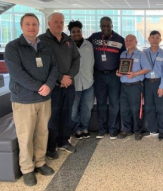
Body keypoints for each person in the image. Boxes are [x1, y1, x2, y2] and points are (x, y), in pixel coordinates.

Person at [4, 13, 57, 186]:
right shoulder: (13, 47)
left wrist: (48, 85)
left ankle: (40, 162)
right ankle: (27, 169)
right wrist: (39, 87)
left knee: (42, 132)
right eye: (28, 24)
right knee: (25, 136)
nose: (32, 27)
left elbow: (54, 67)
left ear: (39, 26)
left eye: (34, 24)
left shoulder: (45, 46)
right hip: (23, 99)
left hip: (44, 98)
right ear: (21, 26)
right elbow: (17, 74)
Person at [39, 12, 80, 159]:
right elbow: (43, 65)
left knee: (66, 114)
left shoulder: (68, 40)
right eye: (56, 22)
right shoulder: (42, 40)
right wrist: (60, 78)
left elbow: (76, 60)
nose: (59, 24)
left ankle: (63, 141)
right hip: (52, 86)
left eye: (61, 22)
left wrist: (68, 77)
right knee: (53, 117)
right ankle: (51, 147)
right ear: (49, 23)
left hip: (69, 84)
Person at [87, 16, 126, 140]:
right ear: (100, 26)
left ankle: (113, 129)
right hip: (99, 75)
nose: (106, 28)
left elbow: (125, 57)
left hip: (114, 75)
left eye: (108, 25)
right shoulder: (94, 38)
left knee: (115, 103)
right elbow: (81, 45)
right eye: (103, 26)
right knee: (101, 103)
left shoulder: (120, 39)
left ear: (112, 25)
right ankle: (102, 129)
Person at [116, 34, 151, 141]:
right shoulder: (123, 54)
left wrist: (135, 74)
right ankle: (126, 130)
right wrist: (118, 72)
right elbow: (121, 68)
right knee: (124, 109)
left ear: (136, 42)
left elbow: (147, 68)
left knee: (136, 109)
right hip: (124, 86)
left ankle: (137, 131)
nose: (128, 42)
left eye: (131, 40)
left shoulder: (141, 54)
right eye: (126, 41)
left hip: (136, 86)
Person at [68, 20, 95, 140]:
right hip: (73, 84)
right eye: (73, 32)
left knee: (87, 108)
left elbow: (93, 62)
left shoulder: (88, 44)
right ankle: (76, 129)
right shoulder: (66, 45)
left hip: (88, 83)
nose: (76, 33)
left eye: (78, 31)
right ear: (70, 33)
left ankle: (85, 127)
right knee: (73, 110)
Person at [143, 30, 163, 140]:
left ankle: (162, 131)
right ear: (148, 39)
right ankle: (152, 130)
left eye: (157, 38)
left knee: (161, 108)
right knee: (149, 107)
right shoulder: (143, 53)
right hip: (147, 83)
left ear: (160, 40)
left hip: (159, 83)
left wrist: (162, 86)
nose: (154, 40)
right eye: (152, 37)